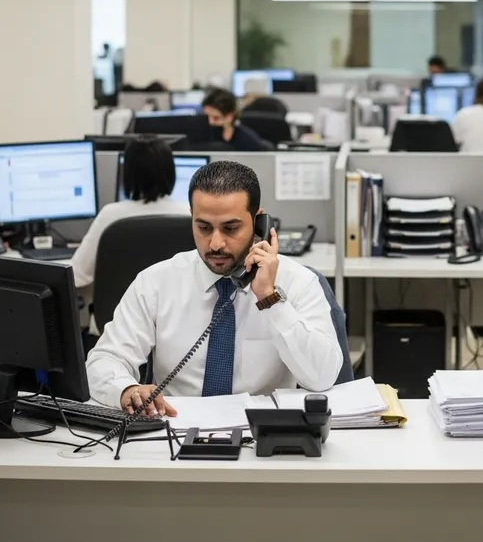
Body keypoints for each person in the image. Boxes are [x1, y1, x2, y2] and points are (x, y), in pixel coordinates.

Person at [86, 161, 342, 415]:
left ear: (258, 221)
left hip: (262, 437)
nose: (216, 243)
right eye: (204, 227)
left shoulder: (298, 282)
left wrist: (270, 298)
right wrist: (126, 389)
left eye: (231, 228)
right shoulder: (156, 282)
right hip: (173, 434)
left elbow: (322, 377)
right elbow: (105, 360)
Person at [71, 135, 190, 289]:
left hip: (118, 312)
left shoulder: (111, 216)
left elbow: (77, 275)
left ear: (127, 173)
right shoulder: (189, 215)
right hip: (173, 312)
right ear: (170, 172)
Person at [202, 87, 269, 151]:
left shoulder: (248, 142)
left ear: (230, 116)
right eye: (206, 116)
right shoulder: (202, 137)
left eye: (216, 118)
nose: (210, 122)